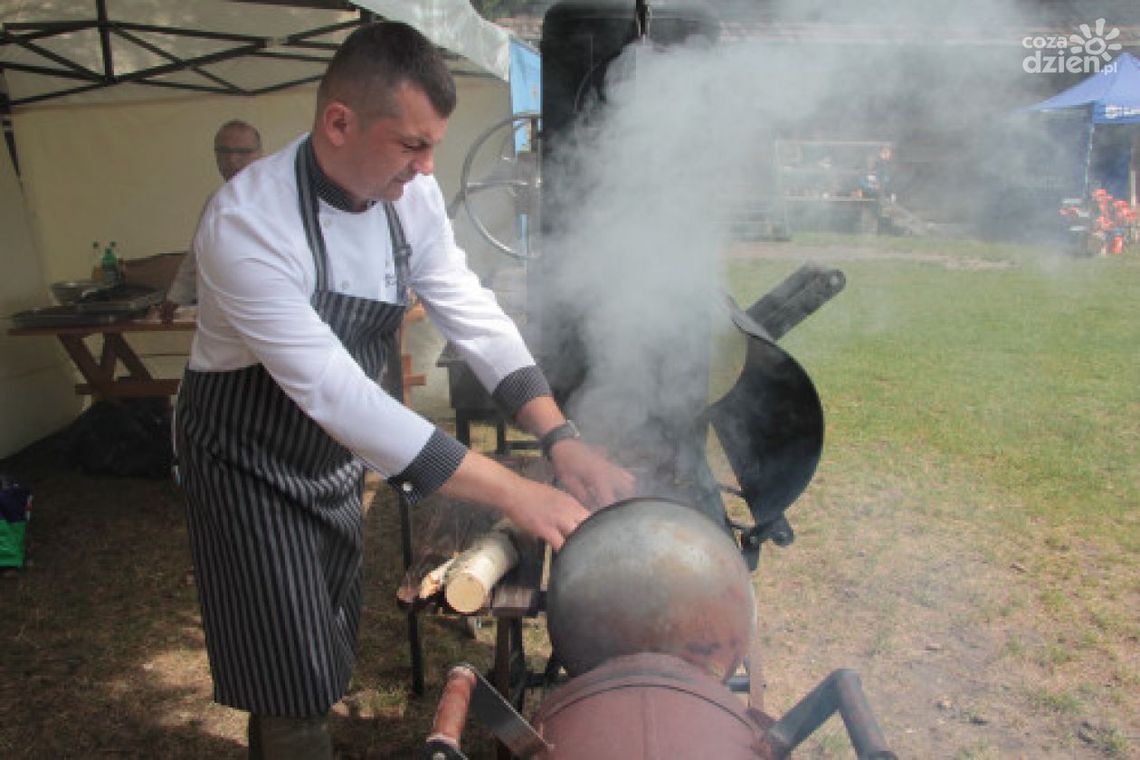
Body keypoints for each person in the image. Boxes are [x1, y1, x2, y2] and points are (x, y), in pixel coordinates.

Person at [174, 21, 634, 757]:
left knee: (320, 641)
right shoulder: (247, 224)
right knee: (284, 661)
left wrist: (560, 438)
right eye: (411, 145)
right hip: (249, 458)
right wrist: (517, 493)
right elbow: (339, 396)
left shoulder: (407, 196)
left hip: (332, 454)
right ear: (338, 122)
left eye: (434, 148)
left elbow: (471, 313)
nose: (426, 169)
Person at [159, 120, 263, 321]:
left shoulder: (281, 198)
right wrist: (175, 297)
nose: (232, 160)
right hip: (223, 310)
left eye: (243, 152)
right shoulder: (216, 201)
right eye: (224, 152)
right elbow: (197, 253)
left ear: (259, 154)